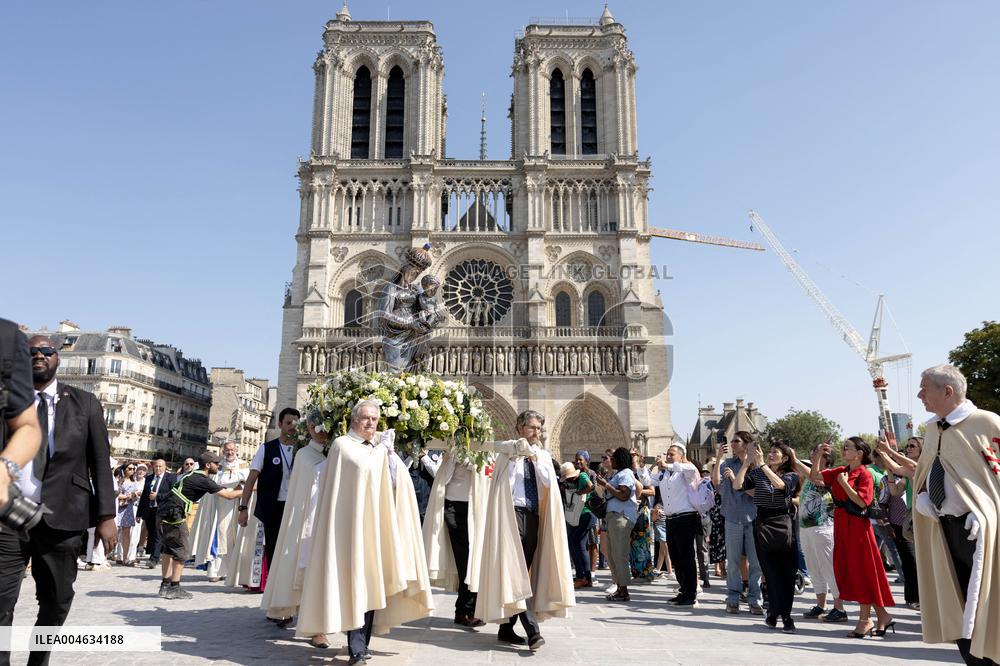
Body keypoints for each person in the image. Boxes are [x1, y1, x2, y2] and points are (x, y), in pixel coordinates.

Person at [0, 334, 116, 666]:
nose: (38, 355)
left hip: (64, 514)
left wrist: (107, 515)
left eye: (46, 351)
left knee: (56, 599)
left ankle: (39, 660)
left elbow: (100, 462)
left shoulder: (86, 403)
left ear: (57, 358)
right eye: (30, 352)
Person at [295, 400, 432, 664]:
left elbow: (394, 481)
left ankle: (363, 643)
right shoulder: (342, 445)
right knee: (354, 583)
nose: (371, 423)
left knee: (369, 584)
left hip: (373, 526)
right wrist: (382, 451)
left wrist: (390, 456)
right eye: (366, 418)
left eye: (375, 419)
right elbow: (360, 469)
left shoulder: (377, 449)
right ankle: (355, 647)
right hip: (348, 528)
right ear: (354, 420)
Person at [911, 364, 1000, 665]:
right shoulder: (932, 428)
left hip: (980, 532)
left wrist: (984, 510)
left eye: (925, 388)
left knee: (985, 605)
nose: (919, 394)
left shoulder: (986, 424)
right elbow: (926, 471)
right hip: (944, 529)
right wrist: (923, 496)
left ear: (947, 391)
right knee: (957, 605)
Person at [472, 410, 574, 652]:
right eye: (531, 428)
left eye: (539, 429)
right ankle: (533, 631)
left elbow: (549, 483)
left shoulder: (542, 455)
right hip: (511, 514)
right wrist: (517, 455)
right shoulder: (508, 453)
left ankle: (506, 628)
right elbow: (502, 483)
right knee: (516, 570)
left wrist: (536, 459)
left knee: (523, 572)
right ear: (519, 428)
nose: (535, 433)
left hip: (533, 516)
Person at [808, 438, 895, 639]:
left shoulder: (864, 473)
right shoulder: (841, 471)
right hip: (842, 525)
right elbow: (815, 476)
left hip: (857, 527)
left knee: (862, 573)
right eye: (844, 447)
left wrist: (845, 485)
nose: (844, 449)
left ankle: (865, 620)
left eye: (848, 447)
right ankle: (883, 616)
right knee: (856, 572)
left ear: (859, 453)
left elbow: (862, 502)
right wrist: (818, 456)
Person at [261, 410, 331, 647]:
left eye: (324, 427)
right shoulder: (304, 454)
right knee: (307, 572)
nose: (321, 432)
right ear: (310, 429)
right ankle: (313, 627)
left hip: (331, 520)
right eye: (316, 427)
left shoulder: (337, 451)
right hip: (309, 522)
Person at [155, 451, 243, 600]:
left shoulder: (193, 474)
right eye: (216, 463)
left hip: (165, 511)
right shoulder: (203, 479)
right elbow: (228, 496)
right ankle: (174, 588)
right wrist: (250, 489)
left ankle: (165, 586)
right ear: (208, 465)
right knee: (181, 551)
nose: (218, 465)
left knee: (169, 550)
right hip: (175, 513)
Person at [423, 445, 491, 629]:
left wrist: (472, 463)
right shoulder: (452, 452)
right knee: (464, 560)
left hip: (475, 509)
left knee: (473, 559)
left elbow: (487, 473)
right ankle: (466, 610)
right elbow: (442, 478)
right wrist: (454, 458)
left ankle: (464, 609)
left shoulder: (483, 451)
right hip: (454, 508)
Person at [736, 441, 800, 633]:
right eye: (769, 451)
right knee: (770, 573)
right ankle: (773, 612)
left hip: (783, 524)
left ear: (785, 458)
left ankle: (786, 616)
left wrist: (762, 464)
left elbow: (780, 485)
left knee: (787, 573)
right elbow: (737, 485)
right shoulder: (757, 473)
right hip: (762, 524)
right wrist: (747, 463)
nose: (770, 454)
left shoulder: (791, 475)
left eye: (775, 452)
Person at [239, 407, 300, 577]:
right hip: (273, 508)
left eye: (295, 424)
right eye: (288, 423)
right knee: (273, 548)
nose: (292, 427)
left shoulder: (302, 450)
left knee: (293, 549)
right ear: (280, 424)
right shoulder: (267, 449)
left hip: (295, 508)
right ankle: (273, 586)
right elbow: (251, 479)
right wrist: (243, 508)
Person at [792, 444, 847, 622]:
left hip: (823, 527)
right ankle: (820, 604)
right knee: (814, 568)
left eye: (818, 453)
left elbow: (815, 477)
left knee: (828, 568)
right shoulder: (809, 474)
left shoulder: (830, 475)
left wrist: (796, 459)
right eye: (813, 451)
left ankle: (839, 607)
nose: (813, 454)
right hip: (807, 528)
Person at [711, 432, 764, 615]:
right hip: (732, 517)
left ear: (747, 444)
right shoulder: (728, 464)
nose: (732, 444)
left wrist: (737, 480)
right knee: (733, 561)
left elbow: (758, 494)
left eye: (736, 441)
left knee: (755, 562)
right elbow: (716, 484)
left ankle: (755, 599)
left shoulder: (757, 467)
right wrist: (718, 459)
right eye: (731, 441)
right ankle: (733, 597)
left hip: (754, 517)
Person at [190, 441, 248, 582]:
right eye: (227, 450)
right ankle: (215, 571)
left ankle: (232, 571)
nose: (230, 452)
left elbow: (247, 481)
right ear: (223, 451)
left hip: (235, 504)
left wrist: (239, 484)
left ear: (236, 450)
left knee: (233, 537)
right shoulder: (218, 465)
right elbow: (212, 480)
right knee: (217, 536)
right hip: (218, 504)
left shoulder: (243, 465)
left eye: (232, 450)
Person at [657, 444, 701, 606]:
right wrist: (639, 466)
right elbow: (649, 480)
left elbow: (689, 469)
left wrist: (668, 465)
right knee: (676, 556)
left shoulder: (686, 470)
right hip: (671, 518)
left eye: (672, 454)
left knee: (686, 556)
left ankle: (691, 593)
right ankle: (683, 589)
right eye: (667, 454)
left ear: (681, 457)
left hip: (685, 517)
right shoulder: (667, 474)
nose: (668, 457)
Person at [879, 437, 920, 609]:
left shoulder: (921, 466)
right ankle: (913, 598)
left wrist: (887, 452)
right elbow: (895, 491)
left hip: (925, 516)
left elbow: (903, 467)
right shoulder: (907, 470)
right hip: (912, 517)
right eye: (908, 445)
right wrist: (889, 470)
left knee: (918, 560)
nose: (909, 448)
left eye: (913, 446)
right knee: (910, 559)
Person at [596, 446, 638, 602]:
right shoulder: (619, 474)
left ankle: (624, 590)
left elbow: (624, 495)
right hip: (614, 517)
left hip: (621, 517)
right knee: (613, 555)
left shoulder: (626, 474)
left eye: (613, 458)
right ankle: (620, 587)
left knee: (620, 555)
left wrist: (606, 485)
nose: (610, 461)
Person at [560, 452, 596, 589]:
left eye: (580, 460)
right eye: (576, 460)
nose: (578, 462)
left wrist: (579, 493)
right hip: (580, 516)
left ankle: (582, 577)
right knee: (580, 546)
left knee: (574, 543)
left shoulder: (582, 475)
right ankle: (585, 578)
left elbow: (590, 486)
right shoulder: (572, 480)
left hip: (586, 515)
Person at [136, 456, 174, 568]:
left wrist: (158, 496)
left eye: (160, 466)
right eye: (156, 466)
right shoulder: (149, 478)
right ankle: (152, 554)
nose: (158, 468)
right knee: (151, 533)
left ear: (165, 467)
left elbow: (172, 494)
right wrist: (139, 513)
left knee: (158, 534)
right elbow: (144, 496)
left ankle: (154, 558)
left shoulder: (170, 478)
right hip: (149, 510)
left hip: (161, 510)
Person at [628, 452, 655, 581]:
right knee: (632, 543)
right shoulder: (628, 473)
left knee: (642, 543)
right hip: (631, 511)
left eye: (634, 460)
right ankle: (636, 572)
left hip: (642, 511)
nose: (632, 462)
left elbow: (652, 491)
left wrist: (637, 491)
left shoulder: (642, 473)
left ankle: (645, 573)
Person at [116, 462, 141, 566]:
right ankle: (111, 555)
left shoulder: (134, 482)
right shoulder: (118, 480)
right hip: (118, 508)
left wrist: (135, 495)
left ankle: (125, 558)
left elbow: (134, 497)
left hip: (128, 509)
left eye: (133, 469)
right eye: (129, 468)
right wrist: (127, 496)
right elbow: (115, 494)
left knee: (127, 534)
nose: (132, 470)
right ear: (124, 469)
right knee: (115, 533)